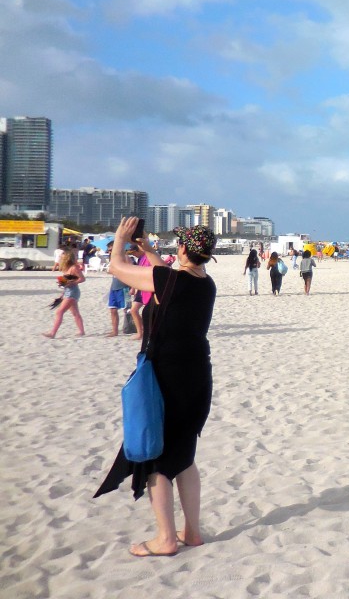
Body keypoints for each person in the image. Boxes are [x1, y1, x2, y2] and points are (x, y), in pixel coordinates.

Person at [94, 218, 218, 558]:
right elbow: (172, 279)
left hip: (167, 377)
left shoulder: (171, 280)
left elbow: (117, 268)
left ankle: (165, 538)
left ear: (181, 249)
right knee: (185, 455)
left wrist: (120, 239)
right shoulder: (205, 283)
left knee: (156, 459)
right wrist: (151, 253)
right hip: (197, 376)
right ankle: (191, 531)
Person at [43, 247, 85, 338]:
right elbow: (67, 282)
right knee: (75, 313)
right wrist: (63, 291)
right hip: (68, 291)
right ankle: (81, 331)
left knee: (59, 312)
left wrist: (72, 282)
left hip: (73, 292)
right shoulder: (67, 268)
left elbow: (82, 279)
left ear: (67, 257)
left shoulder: (74, 268)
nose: (60, 257)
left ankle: (52, 333)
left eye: (62, 255)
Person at [106, 261, 130, 338]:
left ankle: (132, 328)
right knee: (112, 309)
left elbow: (132, 273)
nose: (110, 251)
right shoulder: (113, 259)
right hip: (114, 287)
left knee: (127, 310)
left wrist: (133, 288)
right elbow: (108, 271)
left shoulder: (126, 258)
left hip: (124, 288)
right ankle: (115, 331)